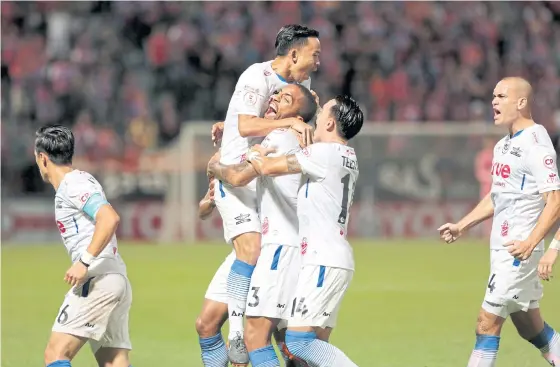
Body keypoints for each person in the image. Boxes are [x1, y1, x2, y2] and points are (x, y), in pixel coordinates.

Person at [206, 23, 320, 366]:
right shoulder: (256, 76)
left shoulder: (303, 87)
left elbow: (298, 121)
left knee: (212, 321)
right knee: (252, 248)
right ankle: (238, 336)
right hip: (237, 175)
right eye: (315, 54)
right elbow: (245, 126)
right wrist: (284, 124)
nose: (318, 62)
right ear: (294, 53)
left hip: (262, 182)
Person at [438, 77, 560, 367]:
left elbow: (554, 201)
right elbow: (497, 196)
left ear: (521, 103)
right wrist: (463, 225)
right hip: (504, 250)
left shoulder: (537, 144)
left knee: (486, 323)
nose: (494, 101)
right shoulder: (503, 146)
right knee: (529, 325)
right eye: (493, 95)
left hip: (518, 252)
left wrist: (533, 243)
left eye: (501, 96)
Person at [245, 95, 364, 366]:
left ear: (331, 124)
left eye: (322, 112)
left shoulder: (321, 154)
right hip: (335, 259)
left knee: (299, 342)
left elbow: (265, 167)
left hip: (323, 260)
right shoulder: (348, 156)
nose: (318, 115)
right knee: (315, 350)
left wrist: (255, 152)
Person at [35, 125, 133, 367]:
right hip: (114, 278)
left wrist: (84, 261)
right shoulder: (80, 180)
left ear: (43, 159)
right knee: (113, 361)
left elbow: (109, 217)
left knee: (55, 354)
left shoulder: (73, 184)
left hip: (96, 279)